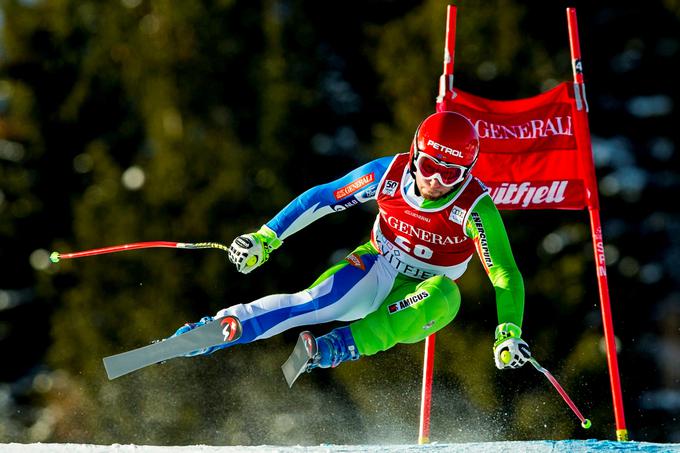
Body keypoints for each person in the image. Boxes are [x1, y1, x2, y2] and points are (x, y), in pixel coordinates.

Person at [172, 111, 531, 375]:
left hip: (422, 294)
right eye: (427, 166)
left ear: (466, 173)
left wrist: (508, 331)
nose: (435, 180)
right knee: (310, 303)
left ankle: (336, 347)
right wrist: (266, 237)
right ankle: (210, 332)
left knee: (445, 294)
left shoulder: (475, 208)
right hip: (378, 263)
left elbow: (504, 273)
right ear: (414, 154)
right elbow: (324, 197)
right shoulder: (386, 175)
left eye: (450, 173)